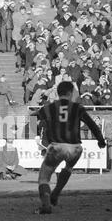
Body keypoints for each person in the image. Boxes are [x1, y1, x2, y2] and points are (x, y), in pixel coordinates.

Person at [35, 82, 106, 214]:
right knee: (68, 167)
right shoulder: (78, 108)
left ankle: (46, 205)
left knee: (44, 177)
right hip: (76, 148)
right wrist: (100, 140)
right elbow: (91, 124)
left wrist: (40, 130)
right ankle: (56, 193)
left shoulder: (49, 107)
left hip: (57, 147)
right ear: (71, 93)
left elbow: (35, 117)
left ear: (58, 93)